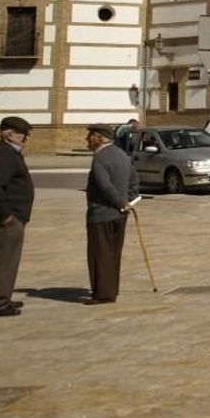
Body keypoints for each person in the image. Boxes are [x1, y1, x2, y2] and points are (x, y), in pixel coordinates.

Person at [0, 116, 35, 317]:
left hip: (15, 216)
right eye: (24, 136)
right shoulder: (5, 154)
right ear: (10, 134)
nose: (26, 140)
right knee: (3, 260)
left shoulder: (10, 152)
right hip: (8, 218)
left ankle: (3, 297)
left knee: (9, 260)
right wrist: (5, 215)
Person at [84, 124, 138, 305]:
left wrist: (120, 202)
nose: (87, 140)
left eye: (90, 136)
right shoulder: (122, 154)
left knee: (100, 254)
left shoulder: (100, 158)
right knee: (114, 252)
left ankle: (103, 293)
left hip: (101, 213)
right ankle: (112, 288)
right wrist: (127, 201)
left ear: (99, 138)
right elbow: (134, 179)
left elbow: (104, 185)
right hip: (120, 214)